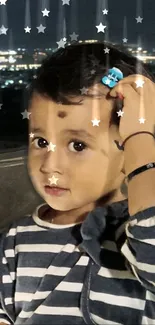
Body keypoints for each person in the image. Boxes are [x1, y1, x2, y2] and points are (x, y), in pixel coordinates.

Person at [0, 41, 155, 325]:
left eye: (78, 145)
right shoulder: (14, 240)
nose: (50, 165)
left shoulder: (137, 232)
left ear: (129, 148)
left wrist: (143, 136)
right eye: (41, 141)